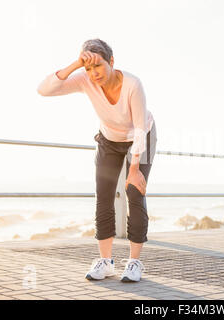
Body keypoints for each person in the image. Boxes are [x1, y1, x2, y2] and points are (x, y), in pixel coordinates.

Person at [37, 38, 157, 282]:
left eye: (98, 66)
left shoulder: (133, 84)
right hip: (109, 140)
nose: (93, 73)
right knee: (103, 195)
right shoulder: (84, 79)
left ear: (112, 62)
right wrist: (75, 65)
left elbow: (139, 130)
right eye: (88, 67)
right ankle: (106, 261)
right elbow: (44, 89)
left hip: (141, 135)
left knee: (135, 191)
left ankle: (134, 263)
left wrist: (134, 170)